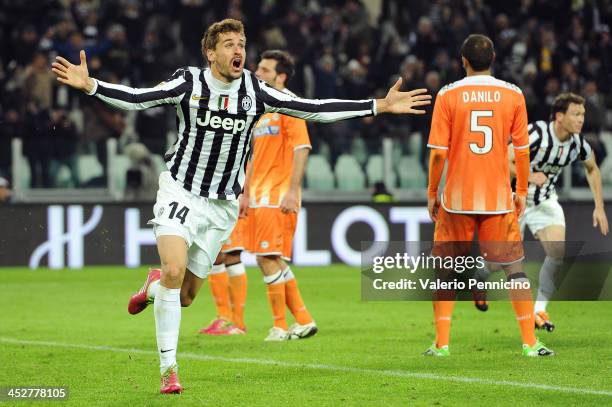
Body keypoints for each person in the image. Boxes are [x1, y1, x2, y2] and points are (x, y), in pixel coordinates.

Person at [51, 19, 431, 394]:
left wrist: (377, 105)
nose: (239, 51)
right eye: (230, 44)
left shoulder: (257, 90)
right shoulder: (189, 82)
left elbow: (312, 107)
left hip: (222, 205)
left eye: (242, 44)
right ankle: (169, 370)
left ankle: (154, 286)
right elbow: (138, 98)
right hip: (180, 190)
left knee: (184, 295)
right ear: (210, 52)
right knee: (173, 268)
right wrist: (92, 86)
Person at [425, 34, 554, 357]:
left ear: (462, 60)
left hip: (456, 199)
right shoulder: (513, 94)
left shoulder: (447, 94)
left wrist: (432, 192)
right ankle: (530, 343)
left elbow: (439, 153)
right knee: (514, 269)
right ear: (494, 58)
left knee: (446, 270)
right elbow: (522, 151)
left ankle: (441, 344)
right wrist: (521, 190)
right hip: (498, 198)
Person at [200, 50, 317, 341]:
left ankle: (279, 325)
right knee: (271, 258)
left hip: (278, 195)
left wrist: (292, 192)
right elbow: (253, 157)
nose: (258, 73)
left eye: (265, 70)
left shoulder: (290, 106)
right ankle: (302, 319)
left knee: (267, 257)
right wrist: (245, 192)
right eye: (259, 68)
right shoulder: (262, 109)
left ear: (281, 76)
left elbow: (302, 148)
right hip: (259, 194)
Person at [475, 93, 609, 331]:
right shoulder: (536, 133)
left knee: (557, 252)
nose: (581, 120)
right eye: (576, 114)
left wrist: (598, 206)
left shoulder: (578, 143)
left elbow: (593, 169)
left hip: (544, 200)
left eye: (583, 115)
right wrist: (527, 175)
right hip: (513, 199)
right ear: (559, 116)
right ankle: (481, 275)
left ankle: (540, 309)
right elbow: (503, 160)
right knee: (500, 261)